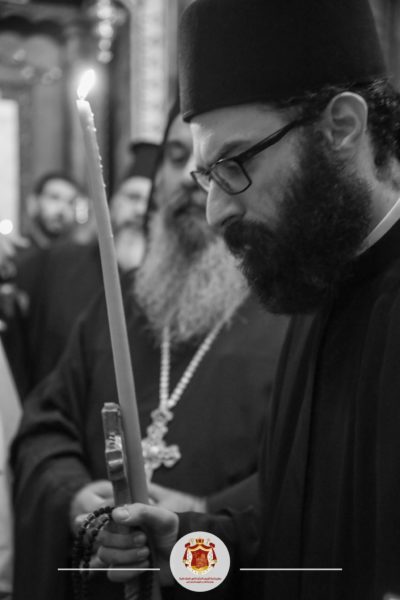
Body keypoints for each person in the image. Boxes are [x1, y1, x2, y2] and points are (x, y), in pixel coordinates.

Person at [96, 1, 400, 599]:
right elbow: (296, 534)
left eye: (234, 163)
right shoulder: (317, 288)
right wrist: (188, 548)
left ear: (342, 126)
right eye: (206, 175)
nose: (215, 212)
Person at [10, 107, 288, 600]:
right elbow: (45, 429)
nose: (189, 175)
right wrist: (74, 497)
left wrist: (206, 513)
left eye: (219, 159)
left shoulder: (296, 310)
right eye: (176, 156)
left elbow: (318, 472)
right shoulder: (121, 302)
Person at [1, 143, 159, 397]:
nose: (140, 211)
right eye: (132, 197)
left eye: (152, 202)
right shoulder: (59, 263)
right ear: (112, 203)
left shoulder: (169, 285)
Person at [23, 172, 83, 250]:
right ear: (33, 202)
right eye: (54, 198)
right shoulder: (14, 252)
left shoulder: (82, 254)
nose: (62, 210)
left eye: (71, 202)